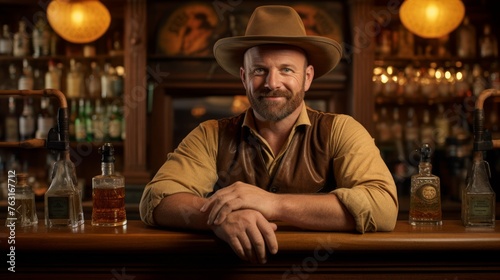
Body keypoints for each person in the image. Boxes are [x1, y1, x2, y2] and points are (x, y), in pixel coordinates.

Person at [140, 5, 398, 264]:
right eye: (259, 70)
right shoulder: (210, 134)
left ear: (307, 78)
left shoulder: (342, 130)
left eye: (286, 69)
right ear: (244, 77)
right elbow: (157, 199)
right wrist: (219, 217)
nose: (272, 83)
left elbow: (383, 207)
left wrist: (274, 204)